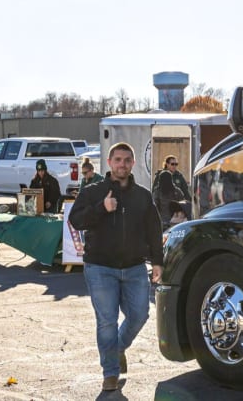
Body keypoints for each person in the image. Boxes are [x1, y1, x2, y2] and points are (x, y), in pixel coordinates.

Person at [69, 142, 163, 392]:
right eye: (117, 160)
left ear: (132, 163)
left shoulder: (142, 195)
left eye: (127, 160)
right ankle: (110, 373)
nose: (122, 164)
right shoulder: (92, 191)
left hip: (134, 268)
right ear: (109, 163)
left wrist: (157, 262)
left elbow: (154, 230)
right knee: (107, 321)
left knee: (139, 315)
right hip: (100, 268)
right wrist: (102, 208)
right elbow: (75, 220)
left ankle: (119, 347)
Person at [152, 155, 190, 227]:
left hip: (175, 217)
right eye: (172, 164)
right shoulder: (160, 177)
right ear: (167, 164)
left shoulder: (179, 177)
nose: (174, 166)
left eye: (176, 164)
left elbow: (185, 195)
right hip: (163, 218)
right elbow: (155, 203)